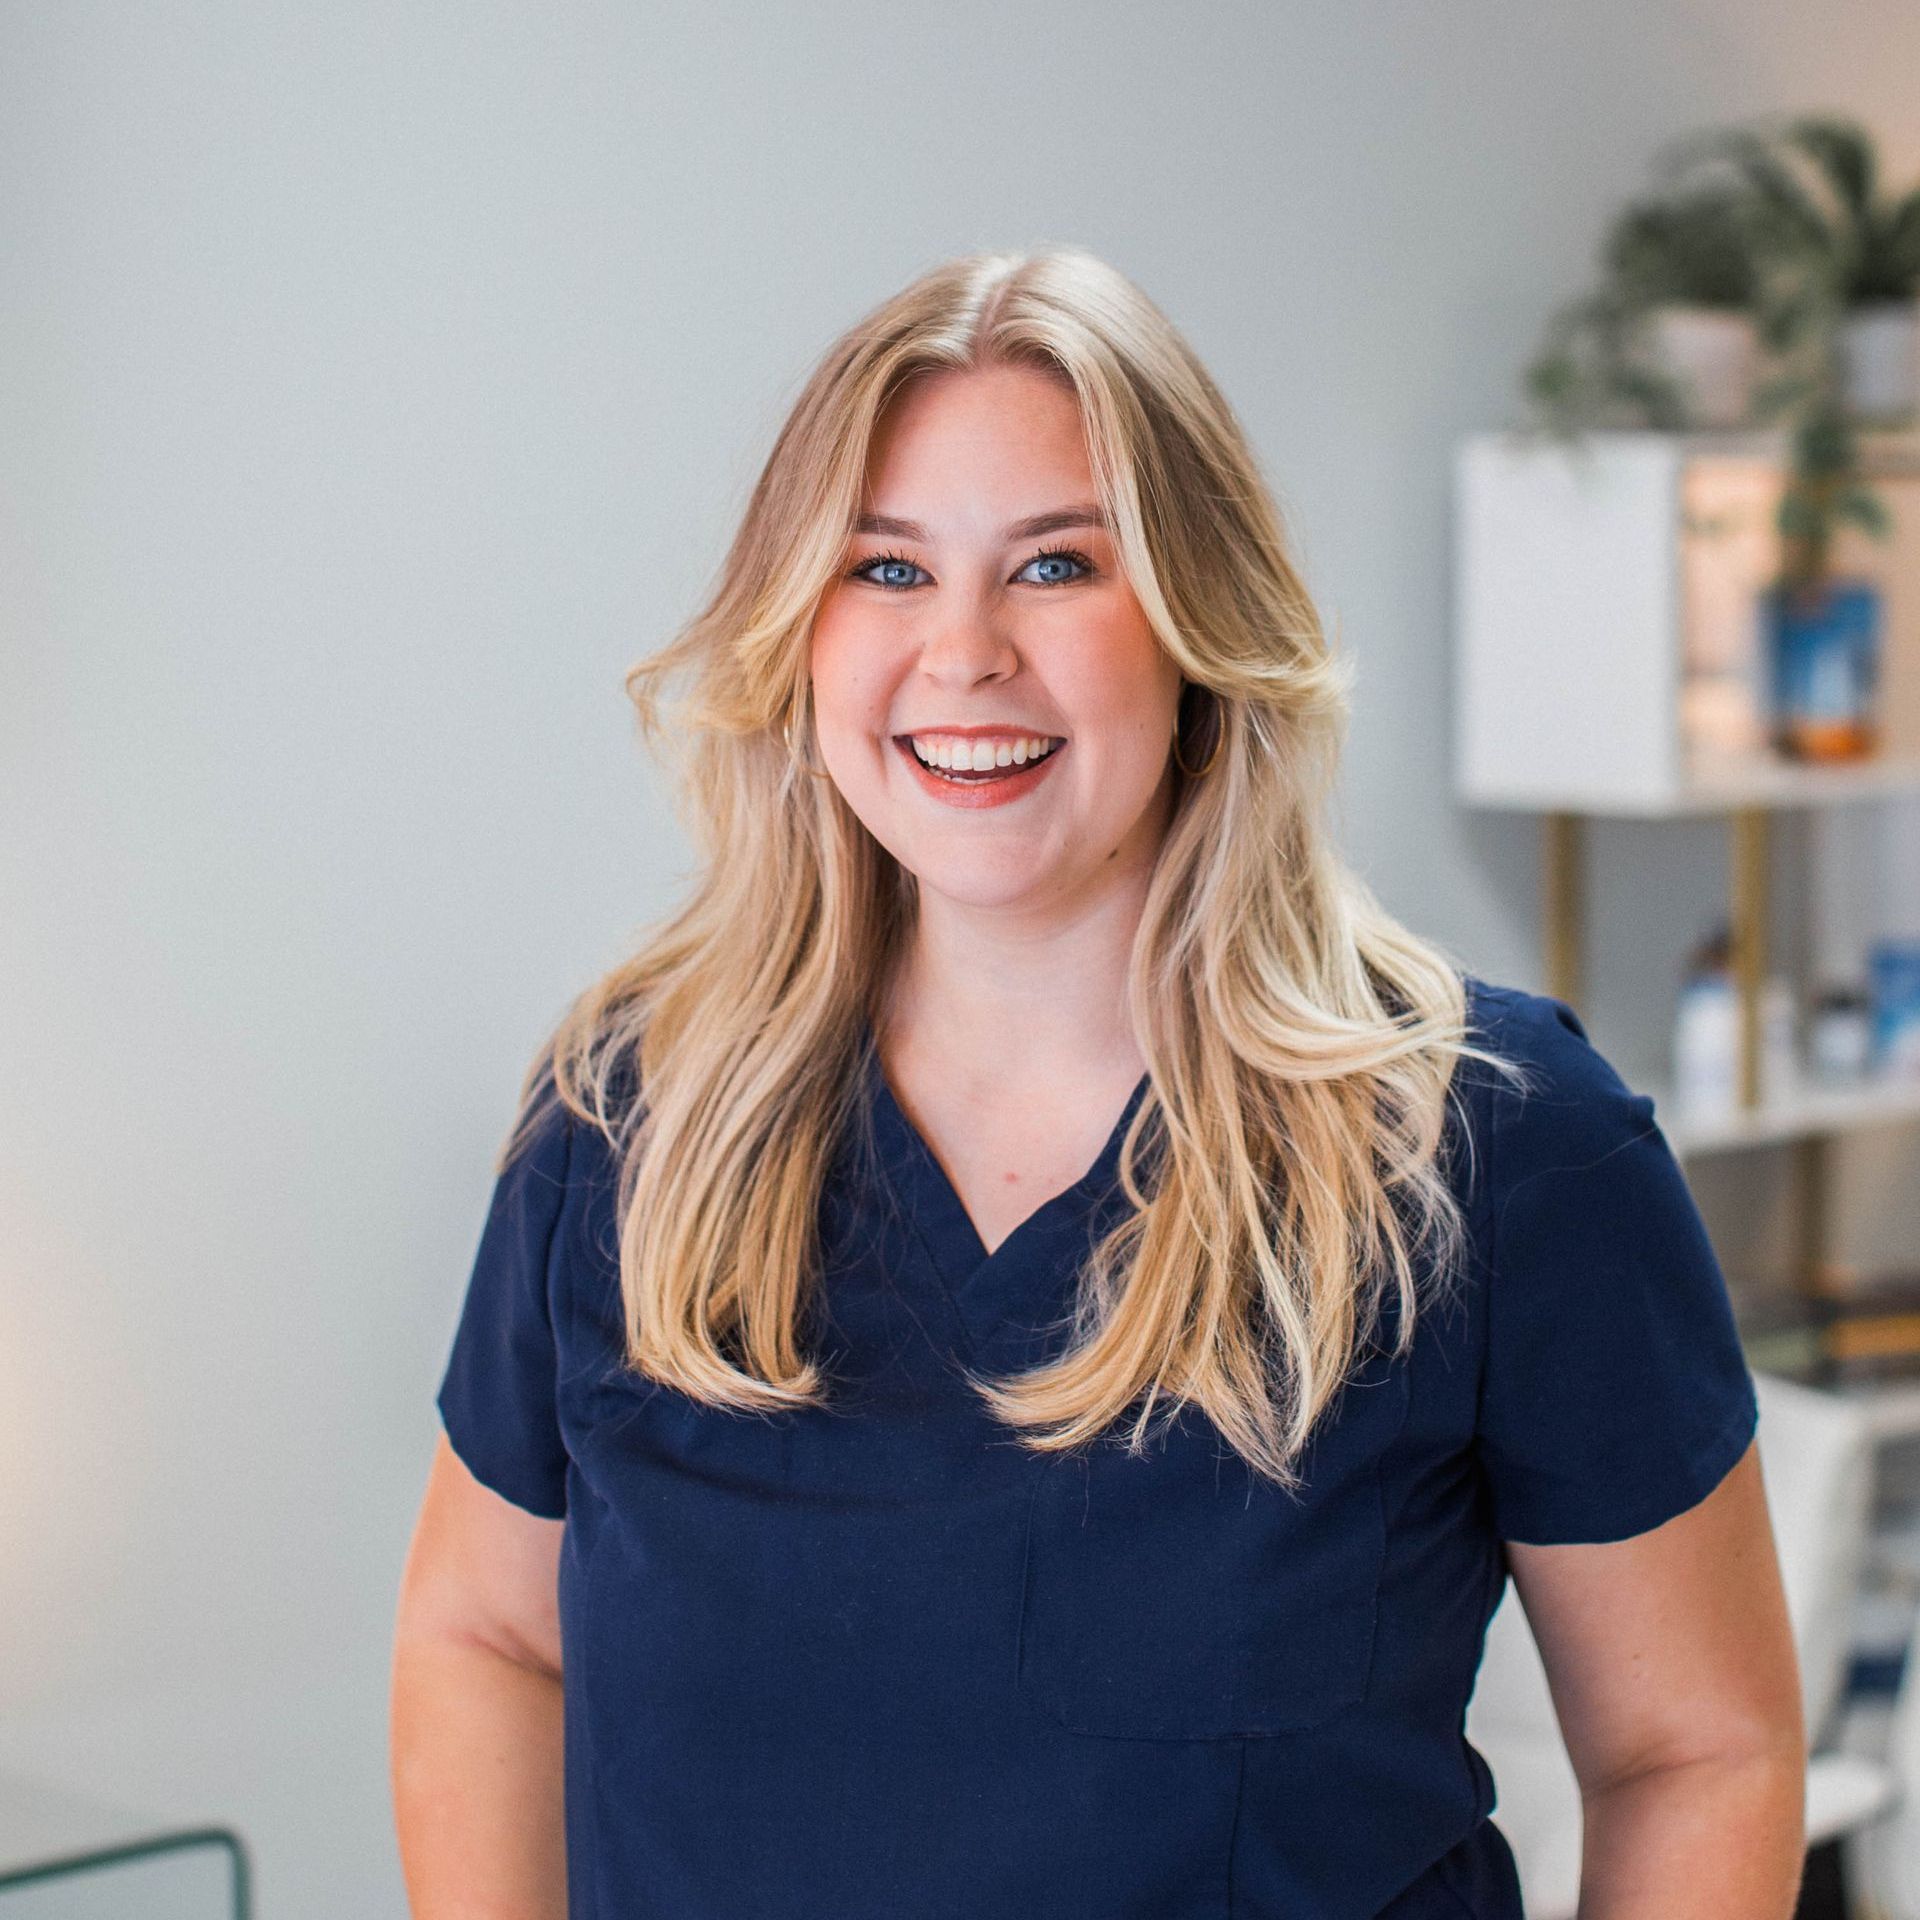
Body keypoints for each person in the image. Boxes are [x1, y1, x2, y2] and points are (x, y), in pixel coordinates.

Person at [390, 247, 1807, 1919]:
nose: (965, 651)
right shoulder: (631, 1122)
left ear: (1201, 629)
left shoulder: (1498, 1152)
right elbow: (485, 1639)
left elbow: (1698, 1750)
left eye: (1058, 563)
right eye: (887, 569)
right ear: (801, 634)